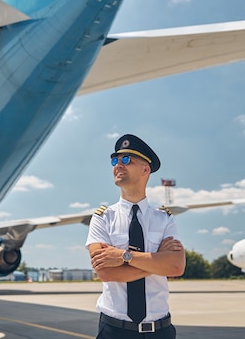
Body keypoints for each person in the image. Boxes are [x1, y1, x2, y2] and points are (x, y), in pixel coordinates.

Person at [86, 134, 185, 339]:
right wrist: (157, 263)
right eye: (115, 160)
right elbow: (106, 273)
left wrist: (124, 257)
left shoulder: (164, 219)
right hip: (114, 330)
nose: (118, 165)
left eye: (126, 160)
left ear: (145, 170)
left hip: (160, 331)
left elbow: (176, 267)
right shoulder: (102, 218)